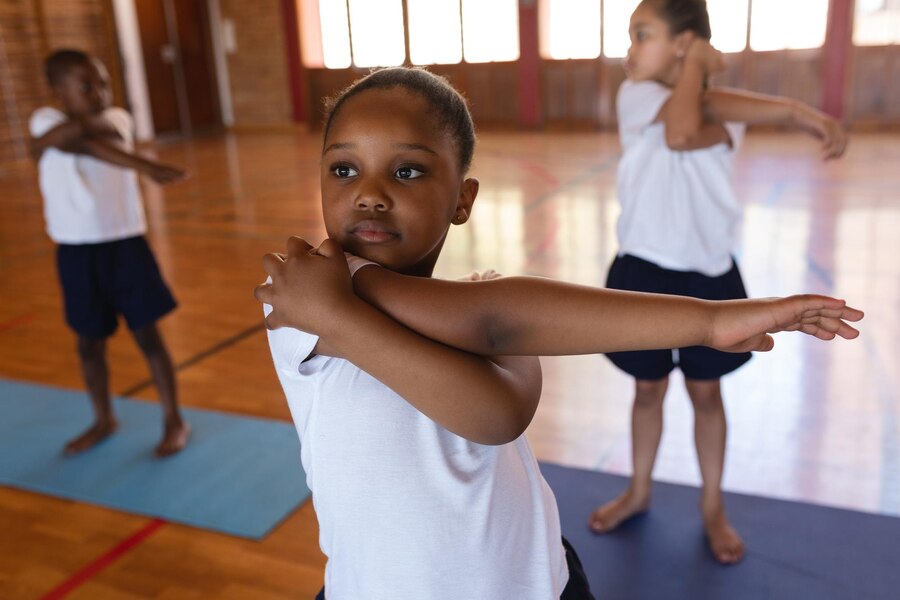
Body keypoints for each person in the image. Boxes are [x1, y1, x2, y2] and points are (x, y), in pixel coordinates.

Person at [254, 66, 862, 599]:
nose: (369, 194)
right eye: (343, 168)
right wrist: (709, 320)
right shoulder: (306, 297)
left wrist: (709, 320)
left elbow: (503, 360)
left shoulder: (466, 306)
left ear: (461, 201)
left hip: (536, 582)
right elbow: (495, 391)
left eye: (408, 170)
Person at [587, 0, 849, 564]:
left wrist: (804, 112)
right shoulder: (636, 96)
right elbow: (682, 132)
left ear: (683, 43)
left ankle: (711, 505)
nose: (629, 50)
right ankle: (638, 489)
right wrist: (701, 66)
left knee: (707, 394)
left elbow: (708, 112)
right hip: (642, 270)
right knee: (647, 388)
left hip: (710, 274)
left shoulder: (716, 105)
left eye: (643, 35)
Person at [29, 49, 190, 457]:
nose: (99, 92)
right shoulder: (43, 121)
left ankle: (174, 418)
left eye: (102, 82)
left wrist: (133, 159)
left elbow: (85, 138)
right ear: (57, 91)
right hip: (75, 252)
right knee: (88, 343)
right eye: (87, 85)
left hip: (124, 245)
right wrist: (143, 165)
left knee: (147, 336)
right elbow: (68, 143)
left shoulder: (118, 117)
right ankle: (103, 419)